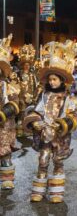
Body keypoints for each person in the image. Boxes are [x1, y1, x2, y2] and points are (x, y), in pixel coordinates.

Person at [23, 40, 77, 203]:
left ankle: (56, 191)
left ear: (62, 80)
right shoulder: (44, 96)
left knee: (58, 161)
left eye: (55, 79)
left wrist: (61, 124)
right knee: (43, 159)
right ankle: (39, 188)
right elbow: (37, 111)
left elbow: (73, 117)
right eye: (50, 79)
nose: (52, 82)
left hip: (60, 136)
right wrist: (35, 123)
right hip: (45, 134)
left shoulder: (69, 98)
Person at [0, 34, 20, 190]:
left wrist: (3, 113)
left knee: (5, 152)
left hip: (4, 125)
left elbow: (15, 103)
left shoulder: (8, 86)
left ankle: (7, 177)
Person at [16, 44, 38, 137]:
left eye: (28, 65)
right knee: (21, 112)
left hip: (31, 96)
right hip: (21, 96)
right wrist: (20, 96)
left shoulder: (32, 75)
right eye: (25, 65)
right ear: (22, 65)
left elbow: (35, 86)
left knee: (29, 112)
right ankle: (19, 129)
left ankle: (28, 128)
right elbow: (16, 86)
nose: (26, 66)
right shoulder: (19, 74)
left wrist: (34, 96)